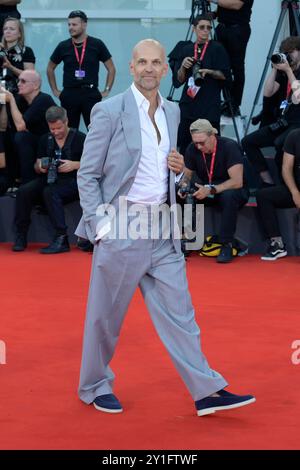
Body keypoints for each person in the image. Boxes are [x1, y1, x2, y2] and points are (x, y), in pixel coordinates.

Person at [75, 38, 255, 416]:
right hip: (123, 223)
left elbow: (161, 168)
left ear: (164, 68)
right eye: (142, 61)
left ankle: (206, 389)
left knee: (180, 313)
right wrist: (101, 225)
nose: (149, 68)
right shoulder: (108, 111)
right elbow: (88, 174)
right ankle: (93, 385)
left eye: (156, 62)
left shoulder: (172, 112)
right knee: (105, 316)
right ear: (130, 66)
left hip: (163, 225)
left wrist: (175, 173)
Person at [12, 106, 85, 254]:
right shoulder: (45, 139)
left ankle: (61, 237)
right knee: (23, 191)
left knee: (50, 192)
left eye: (59, 128)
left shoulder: (80, 138)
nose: (56, 132)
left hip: (73, 180)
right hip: (50, 177)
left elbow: (94, 164)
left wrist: (75, 165)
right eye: (52, 129)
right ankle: (21, 235)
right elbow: (37, 164)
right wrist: (40, 167)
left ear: (66, 122)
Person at [178, 118, 248, 263]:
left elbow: (237, 181)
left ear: (212, 136)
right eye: (196, 142)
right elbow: (187, 175)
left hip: (231, 189)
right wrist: (183, 185)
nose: (198, 146)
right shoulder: (192, 148)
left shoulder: (229, 146)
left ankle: (226, 244)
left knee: (229, 196)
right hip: (207, 189)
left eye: (202, 142)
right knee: (178, 191)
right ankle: (185, 239)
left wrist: (211, 190)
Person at [242, 36, 300, 187]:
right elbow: (268, 92)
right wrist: (275, 69)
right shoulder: (283, 73)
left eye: (291, 51)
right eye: (285, 52)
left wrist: (288, 70)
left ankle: (287, 186)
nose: (288, 55)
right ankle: (268, 182)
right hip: (283, 122)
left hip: (297, 124)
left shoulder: (293, 73)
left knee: (280, 143)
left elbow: (298, 96)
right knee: (248, 142)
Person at [171, 14, 231, 156]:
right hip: (188, 105)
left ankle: (211, 174)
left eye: (208, 27)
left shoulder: (217, 48)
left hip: (209, 104)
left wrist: (210, 72)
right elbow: (178, 81)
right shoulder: (186, 49)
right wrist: (183, 67)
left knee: (212, 146)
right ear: (194, 29)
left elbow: (226, 76)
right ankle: (183, 176)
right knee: (184, 144)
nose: (205, 30)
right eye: (202, 27)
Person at [47, 10, 116, 129]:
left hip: (90, 93)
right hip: (69, 93)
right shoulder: (63, 46)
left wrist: (107, 90)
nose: (70, 28)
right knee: (70, 131)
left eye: (74, 24)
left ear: (84, 25)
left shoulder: (96, 44)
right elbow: (50, 68)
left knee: (95, 130)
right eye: (69, 24)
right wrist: (55, 90)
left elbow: (111, 68)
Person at [1, 69, 55, 184]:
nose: (19, 84)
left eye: (23, 81)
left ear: (35, 86)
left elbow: (20, 126)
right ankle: (10, 179)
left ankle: (28, 182)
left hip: (49, 143)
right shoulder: (21, 100)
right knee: (6, 135)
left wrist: (10, 99)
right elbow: (5, 125)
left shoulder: (43, 100)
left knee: (21, 137)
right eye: (18, 80)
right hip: (34, 140)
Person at [256, 128, 300, 261]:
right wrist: (295, 192)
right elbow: (286, 169)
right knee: (263, 195)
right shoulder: (295, 135)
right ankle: (277, 244)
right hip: (295, 189)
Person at [207, 0, 253, 116]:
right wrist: (215, 14)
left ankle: (234, 103)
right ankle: (226, 100)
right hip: (222, 27)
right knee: (221, 66)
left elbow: (237, 4)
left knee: (237, 67)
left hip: (237, 29)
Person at [0, 17, 35, 95]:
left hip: (19, 95)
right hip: (1, 95)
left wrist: (10, 67)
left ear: (19, 34)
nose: (7, 31)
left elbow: (31, 77)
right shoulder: (1, 50)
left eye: (12, 29)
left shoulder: (26, 51)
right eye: (5, 29)